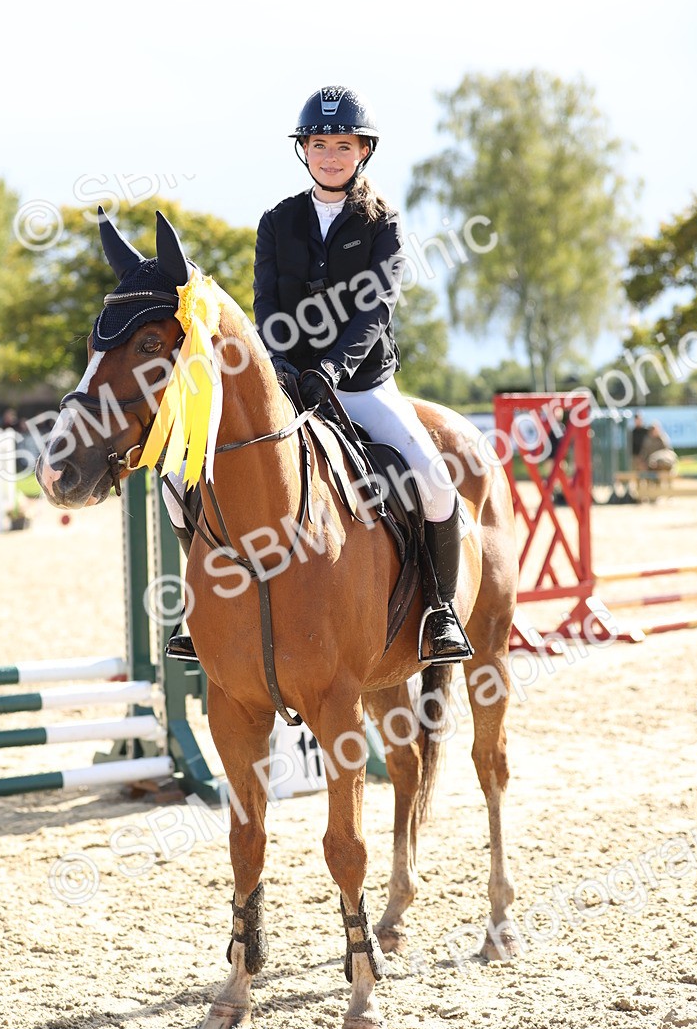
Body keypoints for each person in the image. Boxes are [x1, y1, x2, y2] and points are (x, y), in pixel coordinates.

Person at [167, 85, 471, 665]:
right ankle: (200, 609)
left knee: (435, 483)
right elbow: (267, 305)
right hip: (285, 388)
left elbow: (374, 309)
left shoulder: (383, 224)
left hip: (362, 386)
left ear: (363, 152)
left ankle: (440, 612)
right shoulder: (277, 222)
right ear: (304, 150)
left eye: (343, 146)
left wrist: (332, 368)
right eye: (320, 145)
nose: (330, 156)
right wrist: (281, 365)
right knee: (180, 480)